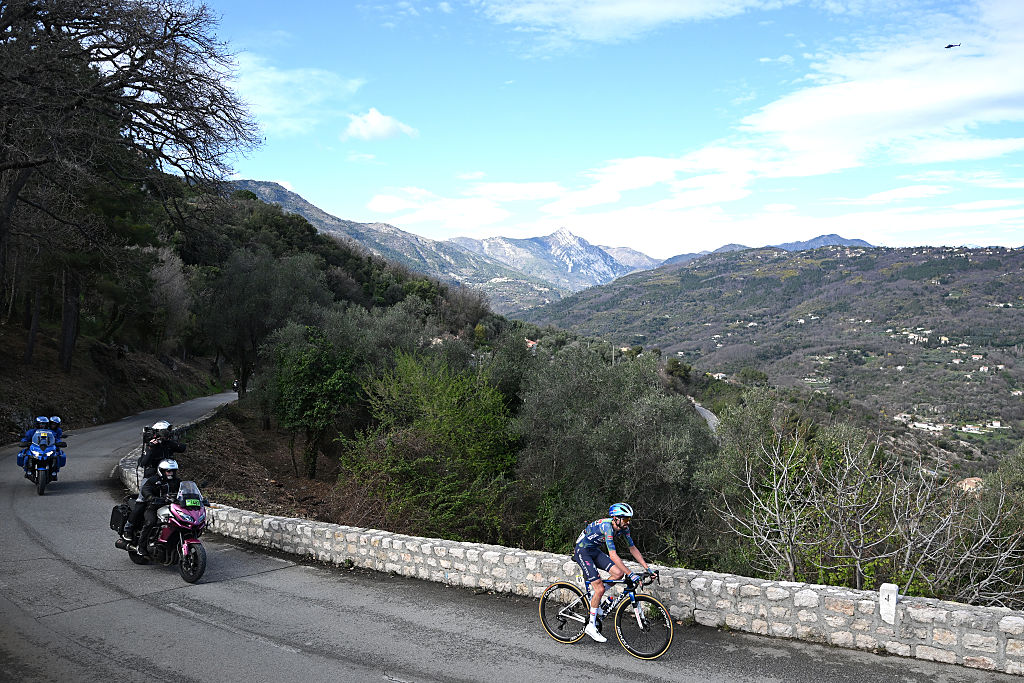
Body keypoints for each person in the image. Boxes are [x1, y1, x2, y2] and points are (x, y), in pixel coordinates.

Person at [573, 502, 657, 643]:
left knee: (618, 573)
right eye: (625, 519)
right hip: (582, 551)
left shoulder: (623, 528)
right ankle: (591, 626)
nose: (627, 522)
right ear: (615, 518)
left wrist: (647, 568)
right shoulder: (608, 527)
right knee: (599, 587)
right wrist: (631, 573)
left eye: (629, 519)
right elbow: (613, 555)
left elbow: (633, 548)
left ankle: (595, 597)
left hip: (594, 551)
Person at [123, 459, 182, 555]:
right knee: (150, 522)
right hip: (154, 506)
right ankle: (141, 547)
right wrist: (150, 497)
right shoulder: (154, 480)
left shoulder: (177, 481)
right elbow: (146, 488)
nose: (170, 473)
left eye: (172, 471)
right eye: (168, 471)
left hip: (171, 507)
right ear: (162, 471)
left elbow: (184, 490)